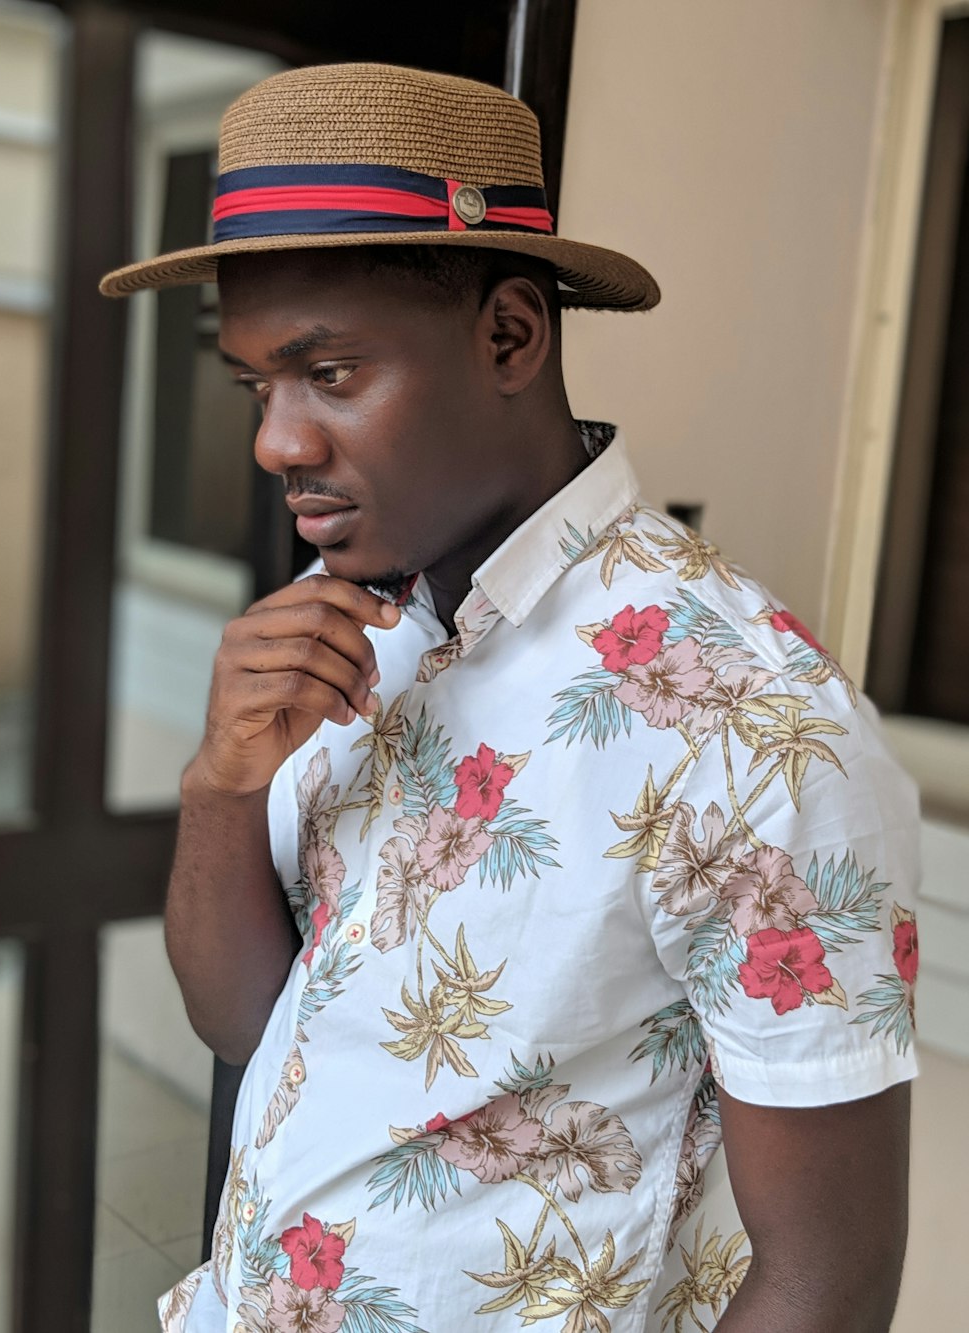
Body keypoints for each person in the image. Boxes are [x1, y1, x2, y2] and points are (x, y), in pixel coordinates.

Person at [101, 62, 919, 1333]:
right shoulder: (344, 627)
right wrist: (221, 787)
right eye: (257, 385)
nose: (276, 442)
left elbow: (829, 1277)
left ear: (509, 336)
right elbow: (247, 1028)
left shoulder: (753, 725)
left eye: (328, 371)